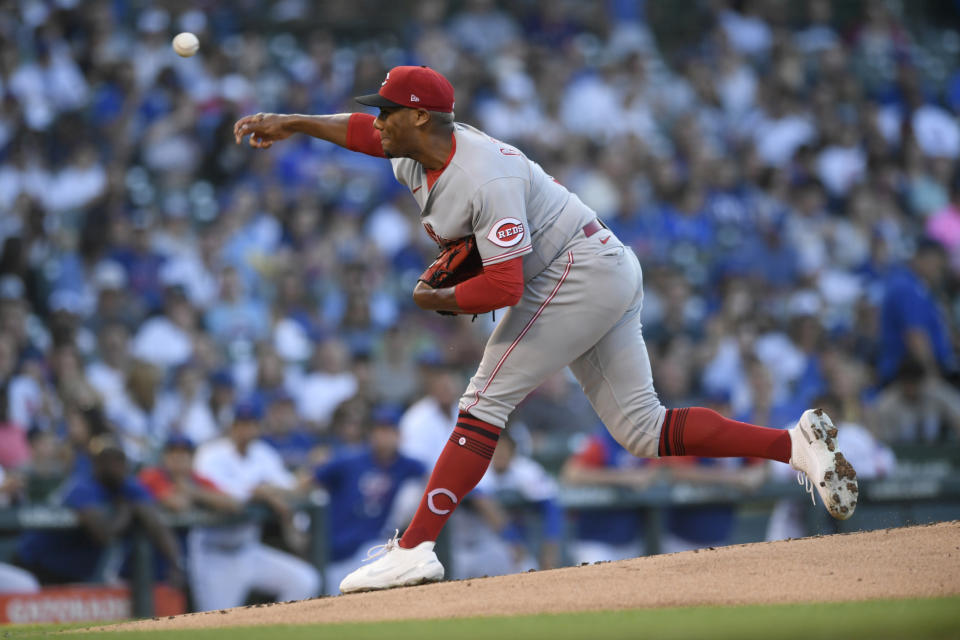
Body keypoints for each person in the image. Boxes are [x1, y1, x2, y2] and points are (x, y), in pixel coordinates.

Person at [233, 65, 859, 593]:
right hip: (596, 266)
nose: (379, 119)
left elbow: (504, 288)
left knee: (483, 402)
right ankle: (793, 444)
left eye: (390, 111)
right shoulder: (413, 152)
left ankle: (414, 547)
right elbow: (362, 135)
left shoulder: (484, 177)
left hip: (574, 271)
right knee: (642, 430)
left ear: (420, 117)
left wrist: (438, 301)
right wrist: (292, 123)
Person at [189, 399, 319, 611]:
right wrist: (260, 492)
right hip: (214, 554)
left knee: (304, 581)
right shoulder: (210, 454)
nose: (246, 429)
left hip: (248, 550)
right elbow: (218, 494)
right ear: (232, 426)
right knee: (216, 628)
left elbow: (289, 488)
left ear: (259, 427)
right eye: (241, 423)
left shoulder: (263, 453)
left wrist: (306, 478)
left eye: (251, 423)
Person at [15, 435, 185, 586]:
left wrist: (175, 564)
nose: (111, 465)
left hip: (71, 570)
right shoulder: (83, 487)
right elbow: (104, 535)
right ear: (95, 464)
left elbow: (155, 521)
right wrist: (126, 512)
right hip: (37, 563)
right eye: (104, 460)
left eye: (117, 459)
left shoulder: (129, 487)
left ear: (125, 463)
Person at [312, 409, 426, 594]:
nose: (384, 436)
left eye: (389, 431)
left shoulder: (406, 465)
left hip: (373, 547)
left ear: (399, 435)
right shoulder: (349, 461)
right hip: (338, 551)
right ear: (371, 434)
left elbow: (430, 478)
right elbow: (311, 479)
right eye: (379, 430)